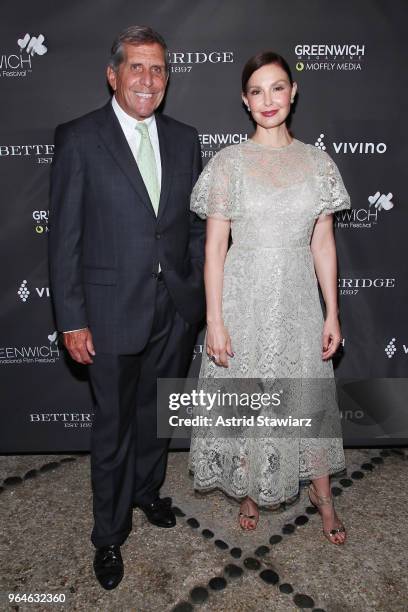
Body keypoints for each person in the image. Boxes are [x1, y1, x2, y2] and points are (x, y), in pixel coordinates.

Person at [49, 26, 205, 589]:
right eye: (136, 67)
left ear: (168, 78)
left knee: (157, 415)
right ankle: (109, 535)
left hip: (175, 307)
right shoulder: (79, 137)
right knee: (113, 426)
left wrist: (193, 291)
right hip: (110, 310)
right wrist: (71, 317)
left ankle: (147, 492)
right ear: (113, 74)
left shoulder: (186, 139)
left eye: (158, 69)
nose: (148, 79)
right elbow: (64, 237)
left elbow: (191, 224)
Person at [188, 51, 349, 545]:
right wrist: (214, 320)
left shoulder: (318, 164)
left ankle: (324, 497)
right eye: (256, 91)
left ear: (293, 91)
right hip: (243, 298)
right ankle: (251, 491)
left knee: (307, 397)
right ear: (245, 100)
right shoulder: (229, 164)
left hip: (298, 300)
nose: (268, 100)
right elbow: (215, 249)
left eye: (277, 88)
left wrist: (333, 312)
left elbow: (322, 243)